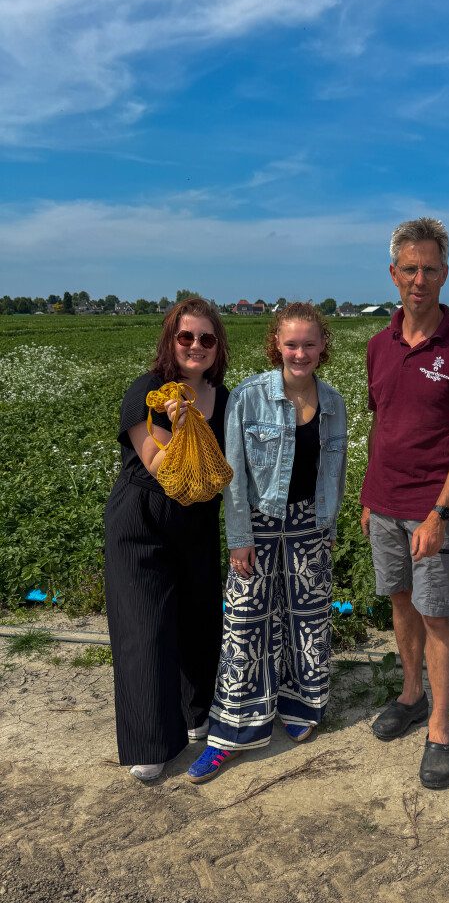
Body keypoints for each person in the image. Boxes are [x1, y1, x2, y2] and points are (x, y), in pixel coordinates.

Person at [187, 303, 347, 783]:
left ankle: (302, 705)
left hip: (309, 524)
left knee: (308, 618)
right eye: (291, 343)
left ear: (323, 347)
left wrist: (328, 526)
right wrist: (238, 537)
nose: (300, 353)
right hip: (258, 523)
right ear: (276, 344)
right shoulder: (249, 396)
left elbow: (334, 471)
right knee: (245, 624)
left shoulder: (334, 400)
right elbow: (232, 474)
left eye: (309, 344)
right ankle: (233, 732)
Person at [360, 217, 449, 790]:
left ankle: (441, 727)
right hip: (384, 505)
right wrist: (368, 496)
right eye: (409, 269)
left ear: (445, 274)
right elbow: (381, 426)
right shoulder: (378, 345)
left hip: (432, 509)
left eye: (430, 269)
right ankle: (412, 694)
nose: (420, 279)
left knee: (437, 613)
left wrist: (441, 513)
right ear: (394, 274)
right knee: (401, 604)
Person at [104, 297, 231, 782]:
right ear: (170, 341)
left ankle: (197, 713)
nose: (195, 346)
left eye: (206, 338)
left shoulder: (224, 395)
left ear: (218, 346)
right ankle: (151, 742)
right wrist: (181, 426)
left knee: (199, 619)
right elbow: (159, 468)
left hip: (198, 519)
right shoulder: (150, 393)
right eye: (186, 337)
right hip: (143, 517)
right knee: (145, 626)